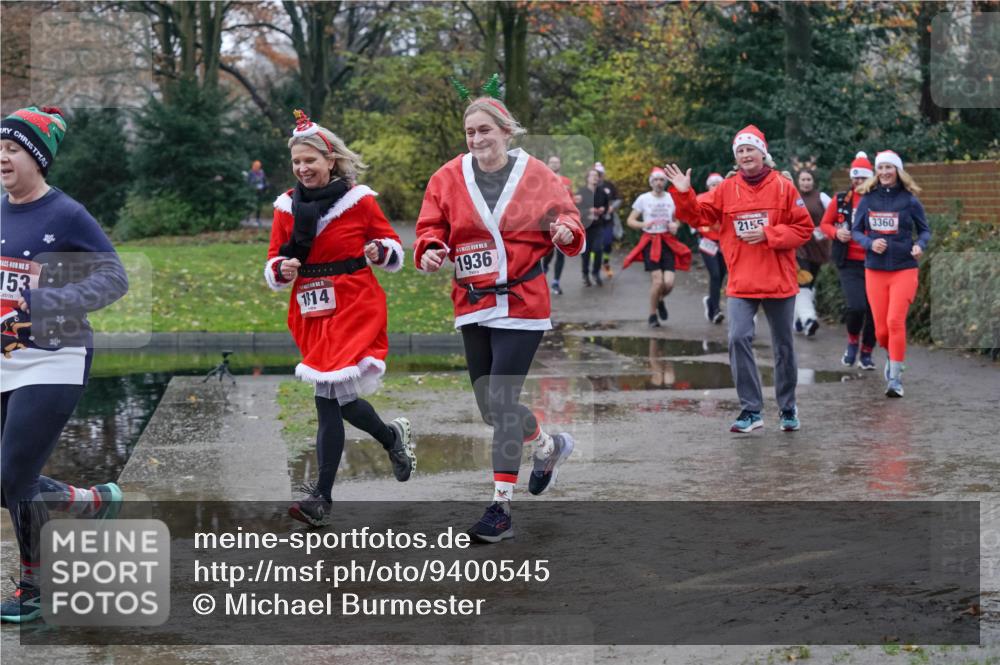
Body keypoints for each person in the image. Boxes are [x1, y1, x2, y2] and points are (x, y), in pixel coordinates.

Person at [415, 96, 585, 543]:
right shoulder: (447, 177)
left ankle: (500, 509)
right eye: (470, 132)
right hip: (473, 302)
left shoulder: (537, 175)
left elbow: (569, 220)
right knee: (492, 409)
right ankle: (548, 447)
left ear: (506, 131)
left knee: (503, 400)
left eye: (485, 130)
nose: (476, 139)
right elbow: (431, 227)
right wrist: (430, 249)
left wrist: (566, 231)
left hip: (522, 302)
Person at [1, 106, 129, 622]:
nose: (2, 157)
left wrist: (48, 299)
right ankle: (91, 502)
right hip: (6, 355)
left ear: (37, 158)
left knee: (15, 475)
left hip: (56, 357)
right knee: (7, 479)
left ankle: (35, 586)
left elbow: (115, 278)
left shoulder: (67, 214)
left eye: (12, 149)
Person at [265, 110, 416, 527]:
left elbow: (390, 243)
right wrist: (281, 269)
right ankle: (392, 436)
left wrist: (380, 251)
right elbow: (274, 257)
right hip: (311, 309)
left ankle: (321, 498)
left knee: (326, 399)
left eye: (310, 160)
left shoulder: (359, 200)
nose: (303, 168)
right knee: (342, 401)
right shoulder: (286, 207)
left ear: (330, 160)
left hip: (353, 302)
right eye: (297, 162)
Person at [664, 125, 813, 433]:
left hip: (778, 280)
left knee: (784, 346)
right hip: (742, 280)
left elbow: (803, 229)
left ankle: (787, 407)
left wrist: (769, 234)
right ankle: (751, 410)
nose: (745, 155)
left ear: (762, 153)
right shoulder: (726, 189)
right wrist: (683, 192)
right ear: (736, 157)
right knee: (737, 338)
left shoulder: (784, 187)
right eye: (740, 151)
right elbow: (698, 215)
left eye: (750, 149)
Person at [851, 150, 931, 398]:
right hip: (875, 270)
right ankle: (892, 355)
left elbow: (925, 231)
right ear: (876, 172)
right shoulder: (867, 199)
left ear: (898, 171)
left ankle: (895, 379)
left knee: (895, 322)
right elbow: (856, 231)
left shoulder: (910, 200)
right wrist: (869, 243)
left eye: (889, 167)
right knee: (881, 330)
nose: (885, 172)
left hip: (904, 268)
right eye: (881, 168)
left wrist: (920, 245)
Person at [820, 151, 877, 369]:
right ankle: (853, 341)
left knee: (874, 311)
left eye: (863, 177)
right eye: (856, 177)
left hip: (875, 262)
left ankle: (867, 352)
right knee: (856, 306)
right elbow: (825, 224)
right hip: (849, 261)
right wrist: (836, 233)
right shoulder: (841, 199)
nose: (859, 181)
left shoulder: (879, 200)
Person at [623, 167, 692, 328]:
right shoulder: (643, 199)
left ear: (665, 182)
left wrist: (675, 225)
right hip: (651, 242)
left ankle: (659, 299)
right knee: (657, 281)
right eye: (655, 180)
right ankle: (652, 315)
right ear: (651, 182)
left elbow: (678, 220)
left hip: (667, 241)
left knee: (669, 283)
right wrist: (644, 224)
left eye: (661, 180)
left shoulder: (671, 198)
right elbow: (630, 221)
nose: (659, 183)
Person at [682, 172, 727, 324]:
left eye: (719, 184)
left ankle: (710, 302)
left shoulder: (727, 200)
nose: (716, 187)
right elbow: (691, 213)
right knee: (715, 275)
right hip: (707, 242)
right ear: (708, 186)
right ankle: (716, 310)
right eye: (713, 184)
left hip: (724, 243)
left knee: (721, 275)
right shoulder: (701, 198)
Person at [792, 167, 832, 336]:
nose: (806, 183)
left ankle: (798, 319)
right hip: (798, 246)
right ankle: (809, 319)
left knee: (810, 283)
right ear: (798, 181)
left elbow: (835, 215)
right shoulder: (792, 197)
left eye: (808, 179)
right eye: (803, 179)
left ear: (813, 181)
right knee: (803, 280)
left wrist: (827, 229)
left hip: (817, 246)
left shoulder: (822, 198)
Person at [542, 155, 576, 295]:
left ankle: (556, 282)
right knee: (548, 251)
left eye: (557, 162)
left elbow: (571, 201)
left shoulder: (567, 181)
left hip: (563, 220)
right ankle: (544, 270)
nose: (555, 164)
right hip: (547, 221)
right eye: (552, 162)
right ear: (547, 164)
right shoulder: (542, 180)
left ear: (560, 164)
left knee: (561, 252)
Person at [578, 168, 610, 286]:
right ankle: (585, 274)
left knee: (598, 249)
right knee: (586, 252)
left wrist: (603, 209)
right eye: (592, 175)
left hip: (598, 226)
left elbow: (607, 206)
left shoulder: (602, 192)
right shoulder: (581, 192)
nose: (595, 177)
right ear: (587, 178)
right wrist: (588, 211)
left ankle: (596, 273)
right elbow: (575, 209)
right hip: (585, 227)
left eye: (596, 175)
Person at [594, 163, 622, 280]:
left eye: (600, 173)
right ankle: (596, 264)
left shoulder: (609, 185)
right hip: (593, 221)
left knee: (607, 243)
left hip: (607, 219)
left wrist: (612, 207)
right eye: (596, 173)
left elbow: (618, 199)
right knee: (594, 246)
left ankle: (605, 262)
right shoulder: (589, 186)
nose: (598, 176)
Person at [247, 159, 269, 226]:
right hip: (253, 192)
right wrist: (254, 186)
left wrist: (265, 186)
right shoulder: (251, 172)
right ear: (253, 166)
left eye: (258, 166)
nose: (257, 168)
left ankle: (257, 219)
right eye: (255, 166)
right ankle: (247, 217)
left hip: (260, 191)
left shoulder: (262, 172)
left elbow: (264, 181)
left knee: (259, 205)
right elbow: (248, 182)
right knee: (251, 205)